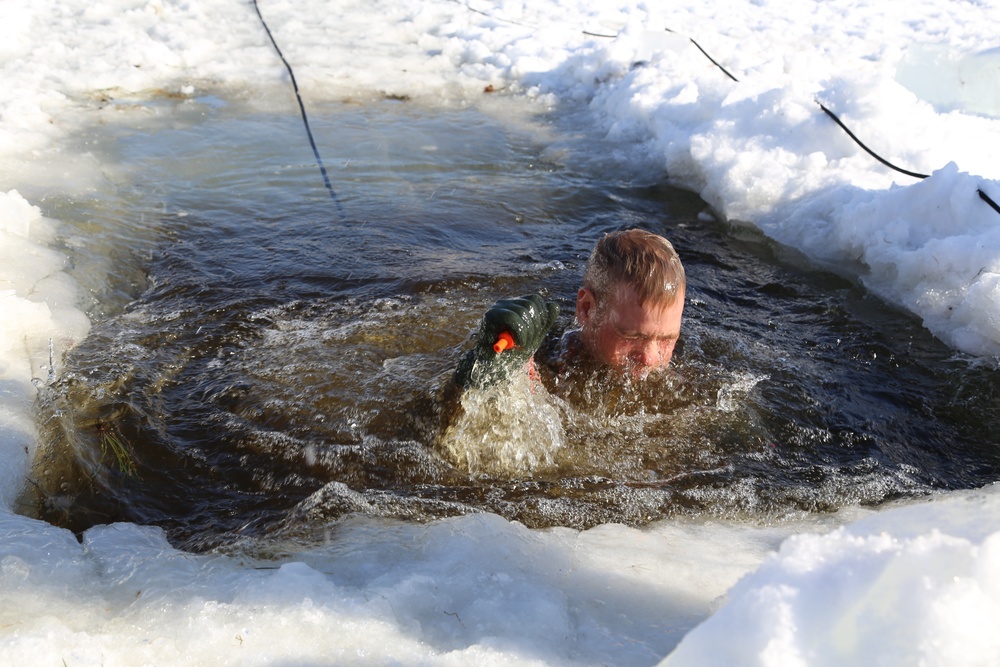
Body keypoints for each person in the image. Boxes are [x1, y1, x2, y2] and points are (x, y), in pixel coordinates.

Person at [454, 228, 686, 390]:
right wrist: (482, 373)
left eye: (667, 339)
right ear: (586, 309)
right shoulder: (548, 364)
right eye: (632, 335)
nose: (650, 358)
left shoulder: (686, 385)